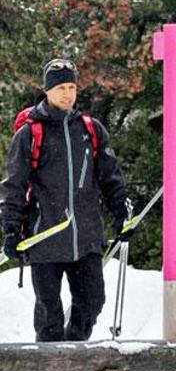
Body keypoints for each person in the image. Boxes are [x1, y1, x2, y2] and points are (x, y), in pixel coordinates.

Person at [1, 59, 131, 342]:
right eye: (60, 87)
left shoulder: (90, 130)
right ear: (47, 90)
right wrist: (11, 229)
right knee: (50, 314)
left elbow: (111, 177)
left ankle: (75, 354)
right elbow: (14, 185)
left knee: (93, 301)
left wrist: (122, 213)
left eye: (72, 86)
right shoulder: (30, 134)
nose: (67, 93)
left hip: (86, 237)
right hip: (45, 237)